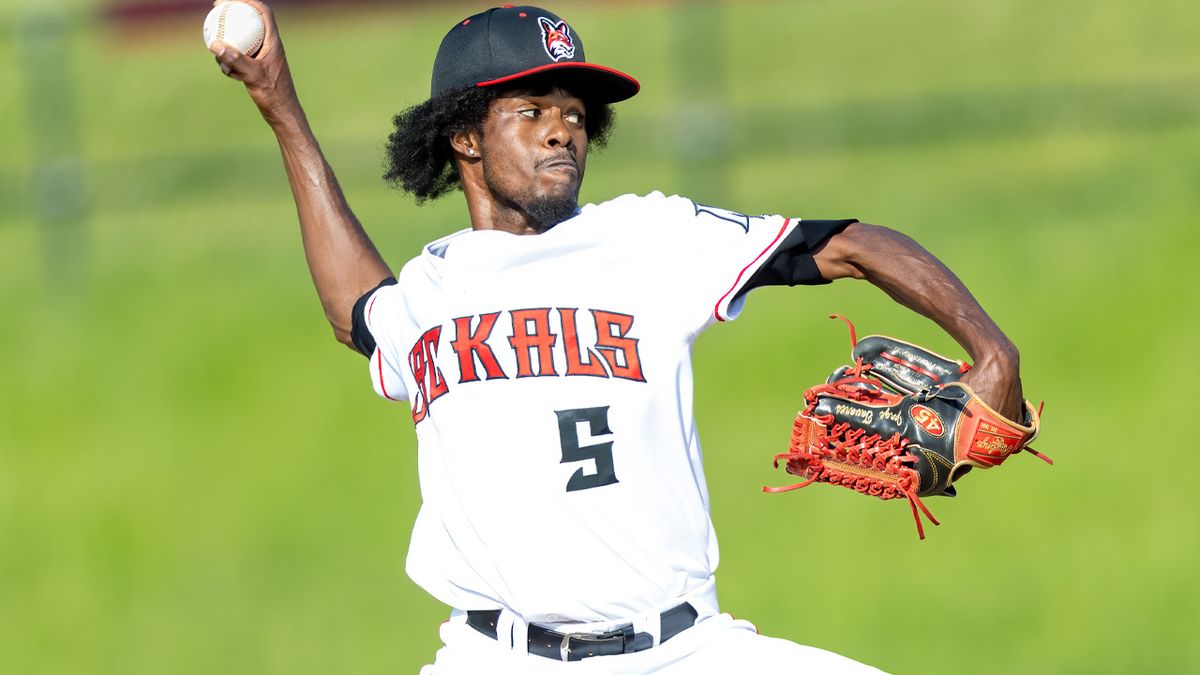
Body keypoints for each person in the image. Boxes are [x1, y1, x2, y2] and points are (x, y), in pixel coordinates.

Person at [209, 2, 1026, 672]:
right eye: (530, 110)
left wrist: (994, 352)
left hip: (683, 651)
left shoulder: (650, 237)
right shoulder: (431, 289)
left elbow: (848, 243)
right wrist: (278, 103)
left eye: (573, 113)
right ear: (464, 137)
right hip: (495, 658)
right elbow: (354, 304)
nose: (562, 130)